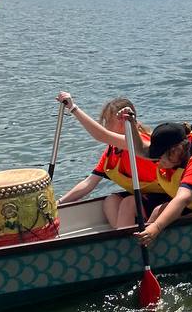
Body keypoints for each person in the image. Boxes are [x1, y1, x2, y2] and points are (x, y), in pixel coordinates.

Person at [54, 94, 167, 227]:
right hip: (146, 199)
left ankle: (125, 235)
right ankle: (122, 234)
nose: (105, 126)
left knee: (129, 203)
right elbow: (88, 183)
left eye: (107, 122)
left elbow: (101, 135)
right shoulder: (111, 152)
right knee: (110, 201)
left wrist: (73, 108)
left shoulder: (137, 143)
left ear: (122, 121)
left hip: (168, 197)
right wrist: (58, 203)